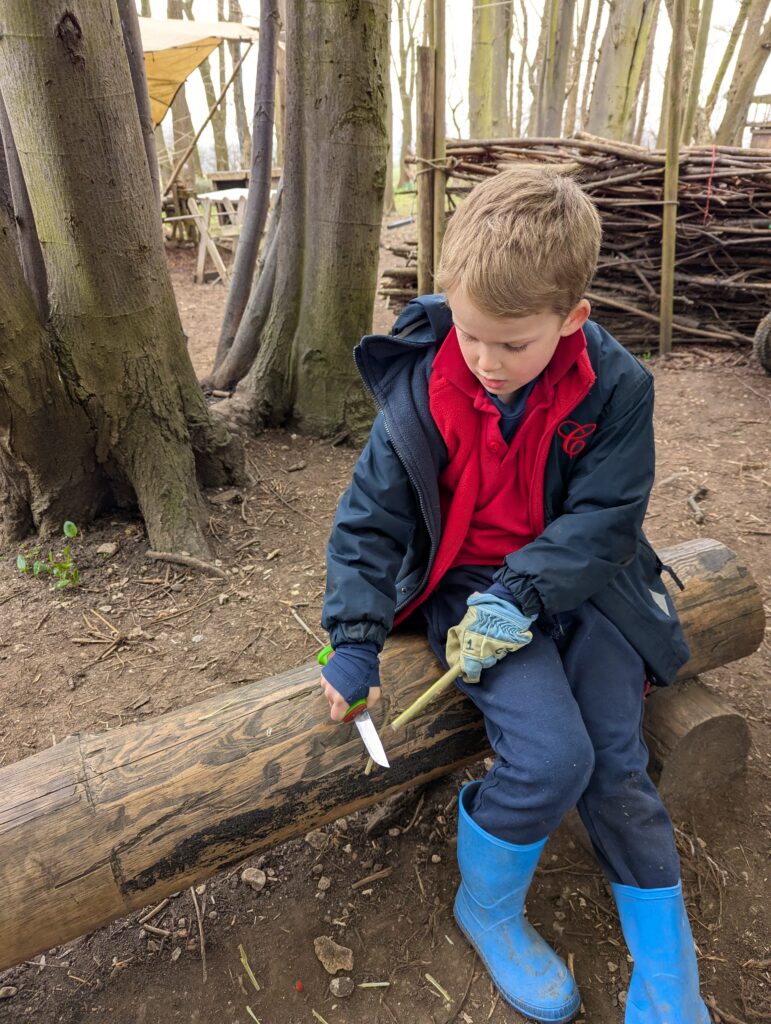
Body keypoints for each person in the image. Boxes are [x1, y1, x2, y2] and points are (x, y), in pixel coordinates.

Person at [318, 166, 709, 1024]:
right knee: (550, 759)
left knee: (615, 764)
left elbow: (607, 517)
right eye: (469, 335)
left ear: (572, 320)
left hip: (589, 590)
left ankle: (666, 964)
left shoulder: (617, 388)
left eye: (513, 343)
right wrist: (351, 638)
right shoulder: (424, 390)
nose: (487, 363)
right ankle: (486, 906)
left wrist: (528, 591)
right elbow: (367, 524)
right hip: (471, 593)